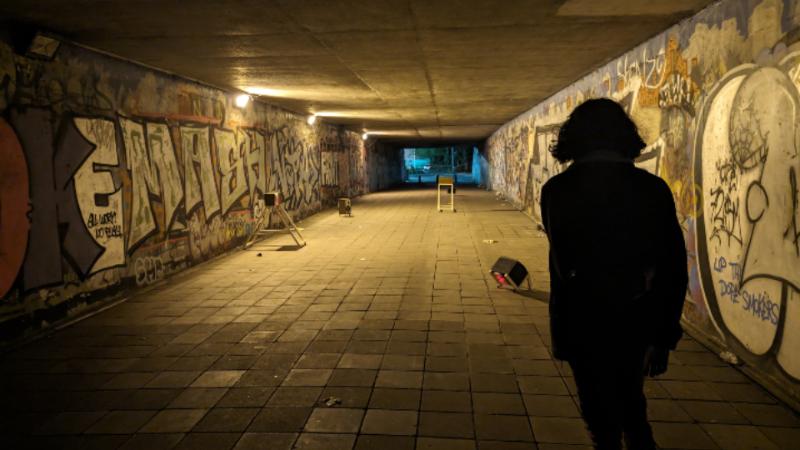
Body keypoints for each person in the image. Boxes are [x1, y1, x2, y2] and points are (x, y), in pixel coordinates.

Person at [540, 98, 688, 450]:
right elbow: (673, 268)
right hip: (636, 316)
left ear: (573, 139)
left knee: (598, 412)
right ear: (624, 136)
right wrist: (664, 335)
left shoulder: (557, 191)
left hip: (582, 319)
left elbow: (565, 266)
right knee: (632, 403)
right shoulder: (652, 190)